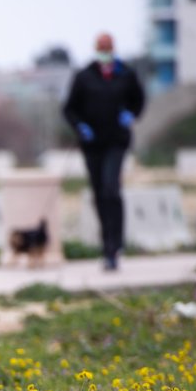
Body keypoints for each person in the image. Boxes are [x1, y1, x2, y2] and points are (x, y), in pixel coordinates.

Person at [63, 32, 145, 272]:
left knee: (112, 188)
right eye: (101, 47)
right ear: (95, 48)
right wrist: (79, 126)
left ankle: (115, 245)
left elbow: (139, 101)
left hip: (116, 142)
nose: (104, 51)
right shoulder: (84, 77)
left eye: (108, 47)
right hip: (92, 144)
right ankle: (106, 245)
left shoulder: (126, 75)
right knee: (99, 193)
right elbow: (69, 109)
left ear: (113, 48)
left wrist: (131, 114)